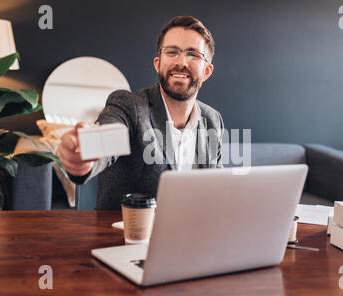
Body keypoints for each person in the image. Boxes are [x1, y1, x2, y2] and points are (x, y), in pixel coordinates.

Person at [58, 16, 224, 210]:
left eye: (193, 54)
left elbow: (217, 187)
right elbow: (110, 134)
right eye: (172, 52)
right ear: (157, 63)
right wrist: (86, 155)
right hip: (130, 236)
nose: (181, 62)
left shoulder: (212, 120)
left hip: (195, 234)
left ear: (207, 71)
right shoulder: (130, 106)